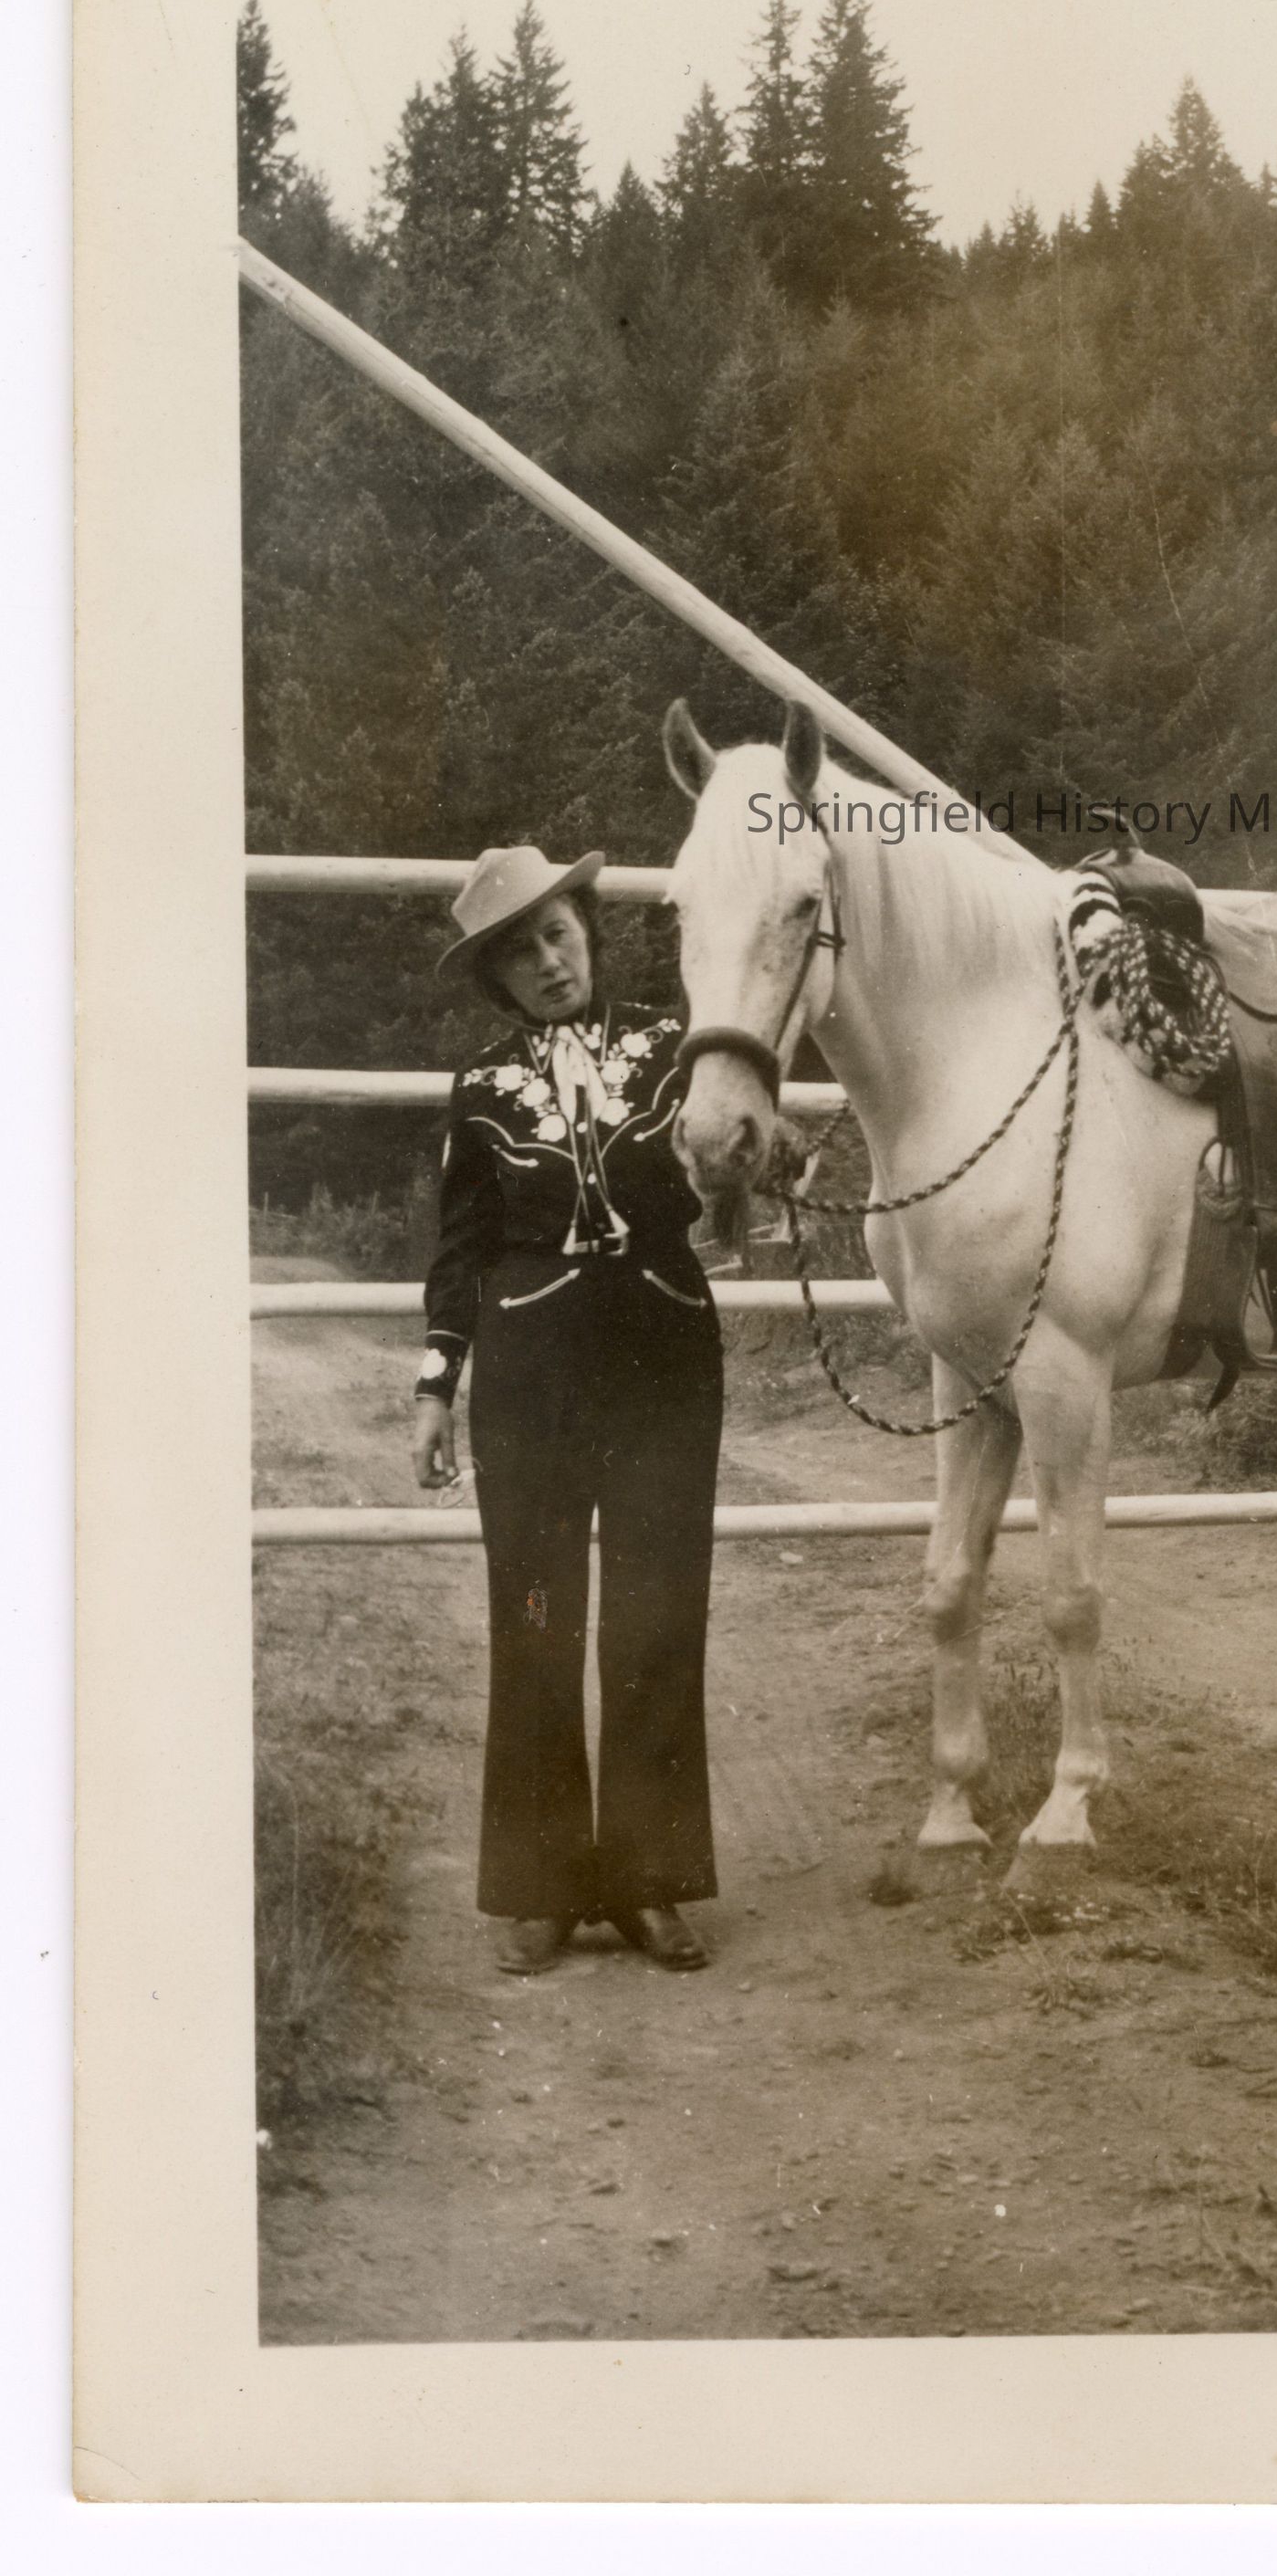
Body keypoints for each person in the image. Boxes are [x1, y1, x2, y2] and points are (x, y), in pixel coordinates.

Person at [412, 843, 725, 1978]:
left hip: (663, 1356)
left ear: (589, 927)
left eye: (557, 933)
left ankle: (647, 1882)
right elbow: (460, 1250)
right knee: (537, 1614)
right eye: (518, 954)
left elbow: (727, 1172)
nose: (548, 962)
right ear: (496, 981)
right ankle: (543, 1887)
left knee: (656, 1610)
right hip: (530, 1376)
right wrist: (437, 1384)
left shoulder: (679, 1050)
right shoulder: (481, 1089)